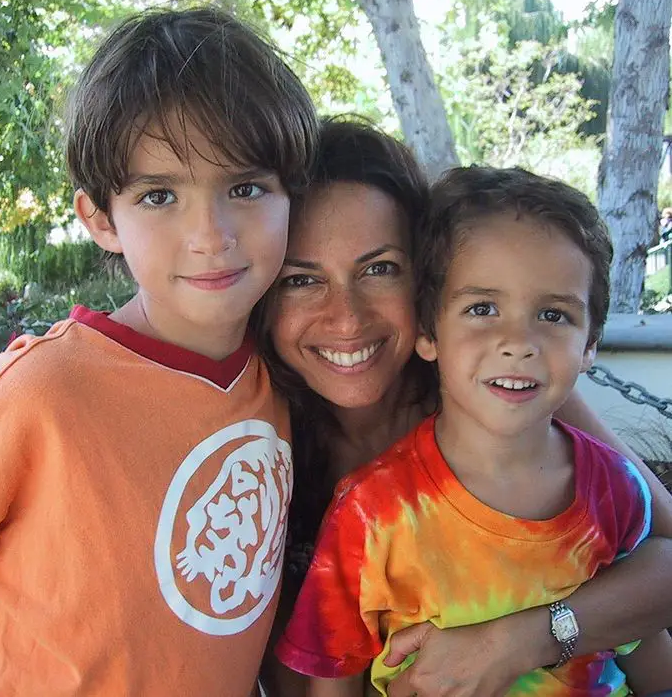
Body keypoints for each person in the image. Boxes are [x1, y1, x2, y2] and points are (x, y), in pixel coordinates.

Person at [0, 6, 317, 696]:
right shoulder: (35, 396)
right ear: (101, 219)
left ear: (293, 197)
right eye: (160, 195)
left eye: (246, 188)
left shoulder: (284, 375)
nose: (211, 234)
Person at [257, 120, 672, 696]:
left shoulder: (512, 392)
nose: (346, 317)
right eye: (301, 280)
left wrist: (518, 641)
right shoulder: (248, 432)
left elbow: (662, 549)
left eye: (380, 269)